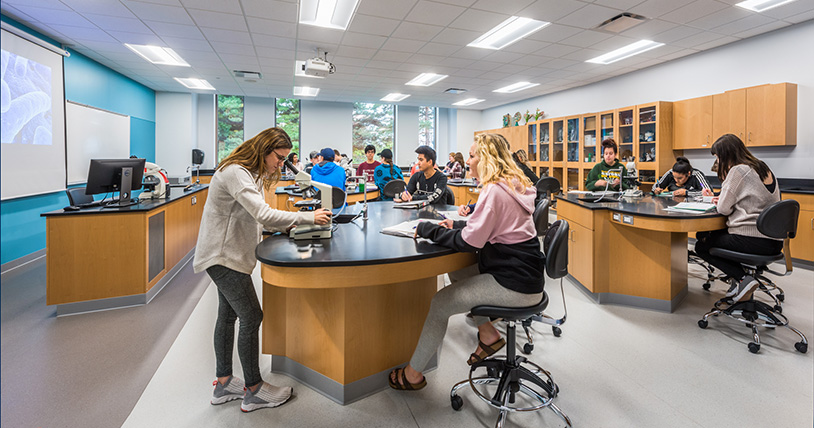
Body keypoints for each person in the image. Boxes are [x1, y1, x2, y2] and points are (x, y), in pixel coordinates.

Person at [388, 133, 544, 390]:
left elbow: (470, 243)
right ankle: (489, 334)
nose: (468, 161)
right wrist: (457, 224)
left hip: (515, 285)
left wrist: (429, 229)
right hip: (526, 275)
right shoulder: (511, 184)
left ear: (486, 159)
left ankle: (412, 375)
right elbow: (492, 226)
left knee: (440, 303)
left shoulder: (494, 190)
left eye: (472, 156)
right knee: (459, 271)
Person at [192, 128, 331, 412]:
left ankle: (223, 382)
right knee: (252, 316)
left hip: (227, 254)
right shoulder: (235, 172)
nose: (280, 164)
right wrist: (308, 217)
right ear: (265, 149)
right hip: (222, 256)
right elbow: (263, 213)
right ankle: (254, 389)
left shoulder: (248, 172)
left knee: (228, 315)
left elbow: (255, 216)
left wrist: (289, 224)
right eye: (278, 158)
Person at [694, 134, 783, 302]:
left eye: (718, 157)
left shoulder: (738, 170)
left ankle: (743, 279)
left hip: (751, 239)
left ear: (727, 155)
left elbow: (723, 209)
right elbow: (752, 199)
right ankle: (739, 283)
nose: (718, 162)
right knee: (711, 238)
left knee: (702, 243)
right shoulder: (762, 167)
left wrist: (720, 199)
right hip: (773, 241)